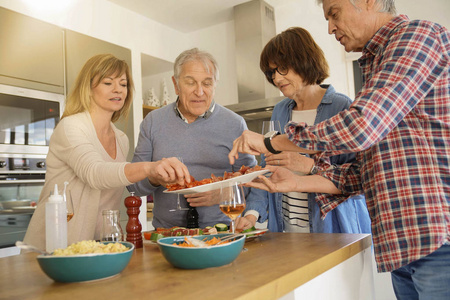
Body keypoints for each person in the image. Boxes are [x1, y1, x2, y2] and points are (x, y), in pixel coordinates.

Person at [229, 0, 450, 298]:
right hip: (404, 244)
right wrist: (297, 182)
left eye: (334, 13)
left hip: (437, 239)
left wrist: (271, 142)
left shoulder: (417, 37)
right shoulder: (374, 68)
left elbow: (360, 127)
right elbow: (359, 174)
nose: (330, 27)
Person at [24, 54, 189, 251]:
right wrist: (149, 167)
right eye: (108, 82)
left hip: (92, 249)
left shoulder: (121, 139)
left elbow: (108, 200)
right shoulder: (71, 127)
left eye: (123, 84)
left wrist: (114, 245)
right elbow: (95, 173)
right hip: (52, 248)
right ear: (89, 88)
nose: (118, 89)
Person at [235, 27, 371, 234]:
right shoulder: (280, 110)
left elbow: (362, 183)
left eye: (282, 69)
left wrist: (309, 165)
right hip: (285, 228)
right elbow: (266, 169)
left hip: (333, 229)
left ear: (304, 61)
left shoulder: (341, 107)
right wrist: (252, 213)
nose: (277, 79)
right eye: (272, 72)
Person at [127, 48, 258, 229]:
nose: (199, 91)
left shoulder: (235, 124)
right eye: (190, 82)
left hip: (221, 234)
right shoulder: (152, 122)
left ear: (215, 84)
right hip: (166, 235)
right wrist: (155, 178)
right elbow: (133, 187)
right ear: (176, 84)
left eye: (207, 83)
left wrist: (223, 193)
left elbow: (254, 182)